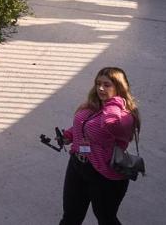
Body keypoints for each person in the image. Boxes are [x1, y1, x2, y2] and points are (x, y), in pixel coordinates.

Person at [59, 67, 140, 225]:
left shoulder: (124, 116)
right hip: (77, 166)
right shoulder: (93, 106)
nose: (100, 88)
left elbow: (110, 124)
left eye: (107, 85)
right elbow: (83, 125)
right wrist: (69, 135)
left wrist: (114, 102)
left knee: (106, 219)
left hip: (105, 175)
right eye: (98, 84)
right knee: (70, 217)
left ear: (119, 87)